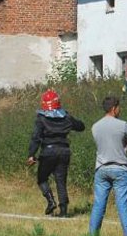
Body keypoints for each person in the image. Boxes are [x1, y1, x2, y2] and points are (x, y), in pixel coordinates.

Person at [27, 89, 85, 217]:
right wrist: (72, 123)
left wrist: (31, 154)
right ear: (58, 102)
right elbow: (81, 126)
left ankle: (51, 201)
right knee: (61, 180)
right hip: (64, 151)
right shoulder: (66, 117)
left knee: (42, 178)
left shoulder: (41, 118)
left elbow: (36, 138)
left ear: (44, 103)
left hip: (48, 151)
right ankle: (63, 211)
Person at [88, 96, 127, 236]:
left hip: (101, 168)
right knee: (122, 205)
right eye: (118, 107)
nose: (119, 110)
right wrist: (125, 148)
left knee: (99, 204)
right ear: (114, 108)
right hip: (120, 168)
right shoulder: (123, 125)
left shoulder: (95, 126)